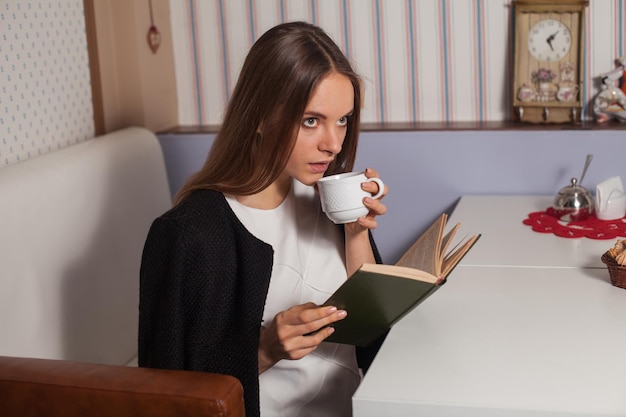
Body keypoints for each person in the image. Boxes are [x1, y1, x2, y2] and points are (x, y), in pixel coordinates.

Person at [138, 21, 388, 417]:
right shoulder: (190, 234)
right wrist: (264, 348)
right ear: (258, 116)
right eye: (311, 120)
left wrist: (356, 232)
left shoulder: (326, 199)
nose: (334, 143)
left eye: (342, 119)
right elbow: (170, 392)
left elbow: (372, 330)